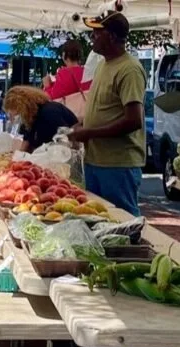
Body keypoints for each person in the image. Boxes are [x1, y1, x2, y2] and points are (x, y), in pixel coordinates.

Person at [68, 12, 146, 216]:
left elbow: (133, 120)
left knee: (122, 220)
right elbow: (105, 108)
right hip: (96, 160)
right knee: (98, 218)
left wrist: (90, 133)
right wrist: (82, 124)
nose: (92, 37)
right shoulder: (103, 64)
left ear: (111, 36)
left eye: (96, 33)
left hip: (117, 164)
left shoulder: (129, 69)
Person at [3, 86, 76, 152]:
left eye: (16, 113)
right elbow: (27, 141)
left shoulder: (49, 113)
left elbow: (61, 142)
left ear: (23, 107)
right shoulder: (30, 117)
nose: (13, 117)